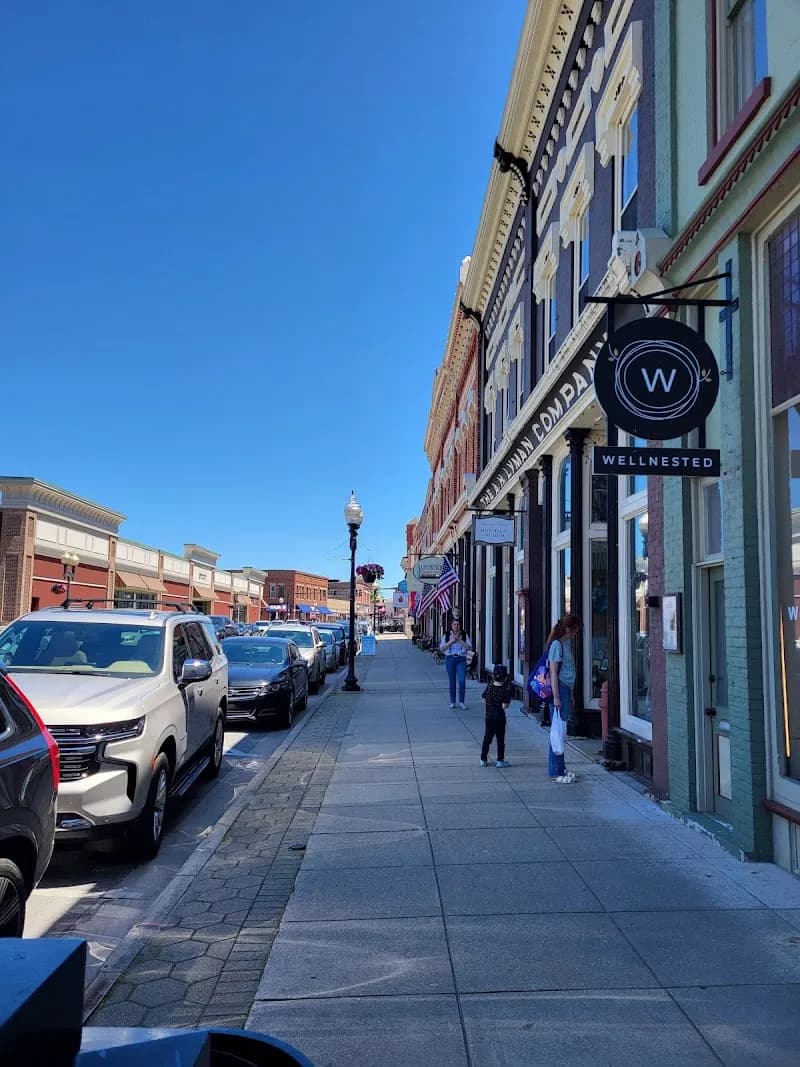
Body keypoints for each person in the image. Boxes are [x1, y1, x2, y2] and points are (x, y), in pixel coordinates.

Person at [546, 613, 581, 783]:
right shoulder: (557, 645)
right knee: (557, 730)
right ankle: (554, 770)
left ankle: (561, 767)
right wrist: (556, 697)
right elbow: (553, 672)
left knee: (562, 730)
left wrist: (570, 693)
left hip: (566, 689)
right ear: (567, 629)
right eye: (575, 631)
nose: (576, 635)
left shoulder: (565, 644)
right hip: (559, 689)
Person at [480, 663, 512, 767]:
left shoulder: (489, 687)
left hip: (489, 717)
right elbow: (504, 706)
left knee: (487, 738)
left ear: (493, 676)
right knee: (500, 739)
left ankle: (483, 759)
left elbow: (483, 697)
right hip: (500, 718)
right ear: (505, 678)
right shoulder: (505, 690)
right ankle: (500, 760)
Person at [439, 619, 472, 709]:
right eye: (454, 624)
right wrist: (452, 641)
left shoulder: (464, 635)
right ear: (451, 625)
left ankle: (462, 702)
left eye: (458, 624)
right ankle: (452, 701)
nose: (456, 626)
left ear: (460, 626)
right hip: (450, 659)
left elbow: (468, 647)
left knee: (462, 681)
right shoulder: (446, 635)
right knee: (452, 681)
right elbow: (442, 648)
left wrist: (459, 640)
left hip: (461, 659)